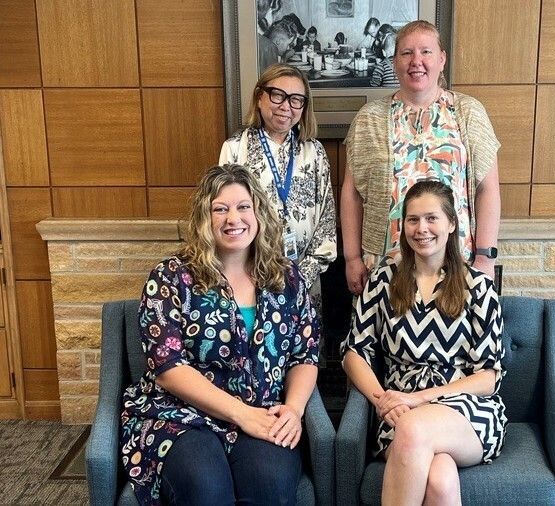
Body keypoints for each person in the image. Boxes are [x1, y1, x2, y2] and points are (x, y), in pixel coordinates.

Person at [120, 164, 320, 505]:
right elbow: (168, 368)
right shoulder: (171, 277)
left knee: (269, 484)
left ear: (259, 213)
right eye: (220, 209)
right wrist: (241, 414)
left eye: (243, 206)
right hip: (180, 415)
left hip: (264, 411)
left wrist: (293, 409)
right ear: (204, 218)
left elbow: (305, 354)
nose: (233, 218)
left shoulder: (287, 279)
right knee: (205, 489)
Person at [342, 180, 506, 505]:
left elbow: (488, 378)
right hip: (398, 411)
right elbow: (353, 354)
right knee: (441, 480)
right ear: (403, 227)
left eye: (431, 218)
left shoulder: (478, 287)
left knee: (415, 430)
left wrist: (420, 400)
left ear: (451, 222)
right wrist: (383, 401)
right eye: (413, 220)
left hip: (466, 409)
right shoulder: (383, 280)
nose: (422, 229)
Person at [341, 20, 501, 296]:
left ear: (441, 59)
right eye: (406, 53)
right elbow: (351, 194)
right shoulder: (369, 118)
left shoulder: (469, 112)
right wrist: (352, 258)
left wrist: (485, 257)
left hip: (455, 262)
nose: (416, 61)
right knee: (383, 337)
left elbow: (488, 189)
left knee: (451, 336)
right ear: (395, 62)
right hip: (384, 263)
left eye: (425, 52)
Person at [219, 64, 336, 297]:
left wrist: (303, 275)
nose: (286, 106)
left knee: (305, 334)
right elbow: (224, 215)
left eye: (295, 100)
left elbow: (327, 218)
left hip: (305, 279)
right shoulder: (235, 149)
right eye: (277, 95)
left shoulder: (313, 152)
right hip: (250, 278)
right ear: (260, 97)